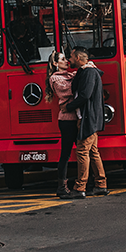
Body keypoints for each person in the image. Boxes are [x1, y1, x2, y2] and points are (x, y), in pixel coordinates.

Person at [65, 46, 108, 198]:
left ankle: (80, 187)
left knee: (82, 151)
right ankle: (100, 184)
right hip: (90, 117)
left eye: (70, 56)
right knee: (93, 152)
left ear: (77, 58)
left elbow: (84, 95)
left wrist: (68, 107)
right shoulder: (87, 71)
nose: (69, 59)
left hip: (87, 118)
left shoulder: (89, 73)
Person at [45, 50, 77, 197]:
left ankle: (83, 182)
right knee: (65, 153)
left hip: (75, 118)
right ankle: (61, 187)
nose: (67, 61)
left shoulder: (70, 75)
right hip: (66, 120)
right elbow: (68, 90)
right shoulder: (55, 79)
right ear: (55, 64)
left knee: (83, 151)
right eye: (63, 59)